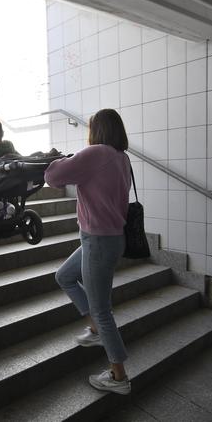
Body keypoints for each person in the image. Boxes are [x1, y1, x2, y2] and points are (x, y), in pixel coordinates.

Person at [44, 108, 132, 395]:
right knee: (65, 276)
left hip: (98, 241)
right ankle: (95, 330)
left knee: (102, 309)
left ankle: (119, 377)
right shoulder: (122, 158)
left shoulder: (96, 154)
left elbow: (54, 177)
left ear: (98, 130)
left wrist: (59, 159)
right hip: (107, 239)